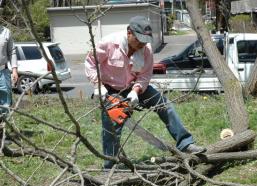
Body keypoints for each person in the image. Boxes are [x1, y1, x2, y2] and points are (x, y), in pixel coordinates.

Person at [85, 16, 206, 169]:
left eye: (144, 41)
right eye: (139, 40)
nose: (141, 44)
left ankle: (185, 143)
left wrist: (136, 91)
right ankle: (111, 165)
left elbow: (145, 75)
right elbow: (90, 63)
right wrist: (98, 85)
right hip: (110, 88)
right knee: (111, 125)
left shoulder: (146, 49)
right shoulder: (108, 43)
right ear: (129, 32)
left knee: (164, 104)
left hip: (134, 86)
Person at [0, 23, 18, 121]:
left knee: (5, 103)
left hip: (3, 72)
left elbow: (12, 51)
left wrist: (14, 69)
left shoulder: (6, 32)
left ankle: (3, 130)